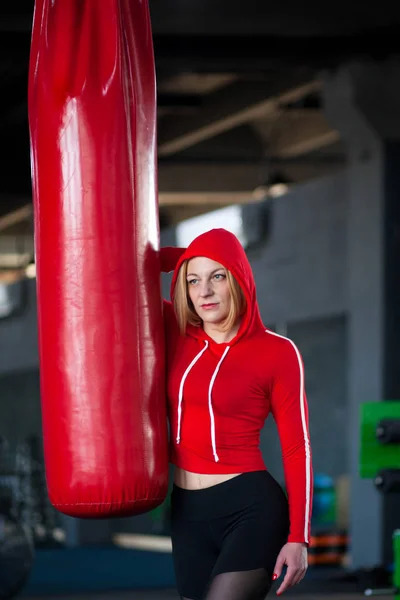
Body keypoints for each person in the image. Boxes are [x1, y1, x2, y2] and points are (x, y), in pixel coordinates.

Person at [160, 228, 313, 600]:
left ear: (239, 280)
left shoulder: (277, 352)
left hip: (250, 509)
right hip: (186, 511)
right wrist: (188, 255)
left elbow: (297, 448)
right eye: (193, 280)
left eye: (218, 276)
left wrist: (299, 538)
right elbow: (128, 273)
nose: (204, 291)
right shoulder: (175, 332)